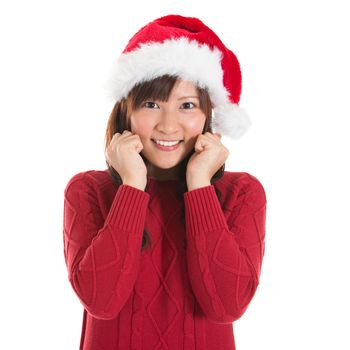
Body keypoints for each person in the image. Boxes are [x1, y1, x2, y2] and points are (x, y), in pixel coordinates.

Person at [63, 14, 267, 350]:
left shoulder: (241, 194)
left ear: (208, 116)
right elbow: (100, 302)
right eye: (151, 104)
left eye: (187, 105)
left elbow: (227, 306)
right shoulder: (87, 191)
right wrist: (131, 186)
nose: (169, 125)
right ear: (126, 111)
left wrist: (200, 186)